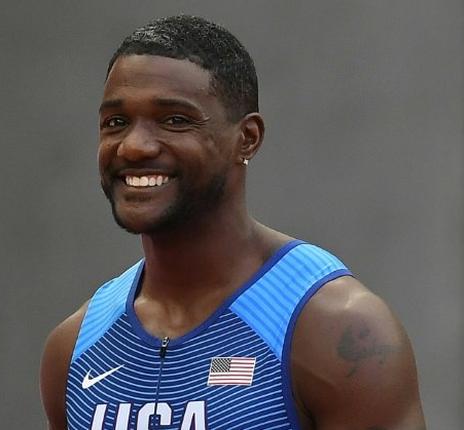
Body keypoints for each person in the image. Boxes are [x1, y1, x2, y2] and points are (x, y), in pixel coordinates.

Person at [40, 15, 425, 430]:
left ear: (248, 138)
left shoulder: (336, 332)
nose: (134, 146)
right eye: (116, 122)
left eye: (175, 120)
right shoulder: (77, 347)